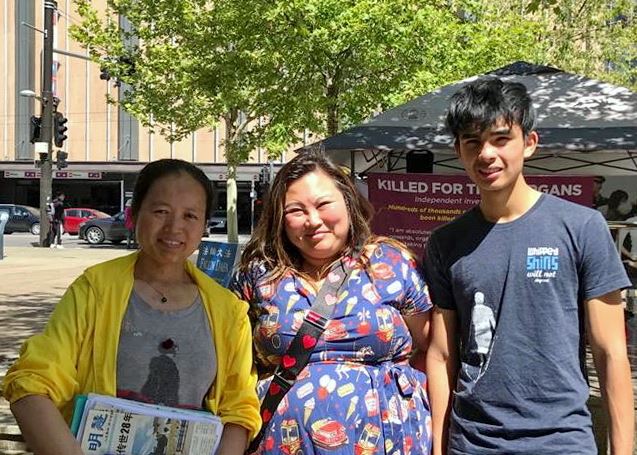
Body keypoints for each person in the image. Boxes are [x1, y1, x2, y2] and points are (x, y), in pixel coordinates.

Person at [424, 77, 634, 455]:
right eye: (473, 142)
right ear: (459, 150)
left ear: (530, 143)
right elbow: (441, 356)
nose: (486, 154)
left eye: (501, 138)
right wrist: (439, 448)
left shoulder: (582, 227)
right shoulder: (445, 243)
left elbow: (611, 352)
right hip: (474, 442)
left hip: (560, 440)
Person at [3, 159, 260, 455]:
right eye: (161, 211)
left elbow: (238, 408)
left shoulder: (228, 311)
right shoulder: (95, 290)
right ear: (134, 214)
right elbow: (32, 382)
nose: (174, 227)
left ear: (204, 225)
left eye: (190, 215)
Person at [230, 151, 433, 455]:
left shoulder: (392, 263)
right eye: (295, 210)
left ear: (348, 202)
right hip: (281, 443)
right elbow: (231, 366)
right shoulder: (257, 275)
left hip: (388, 441)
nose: (313, 221)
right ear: (280, 219)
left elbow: (435, 350)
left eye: (323, 204)